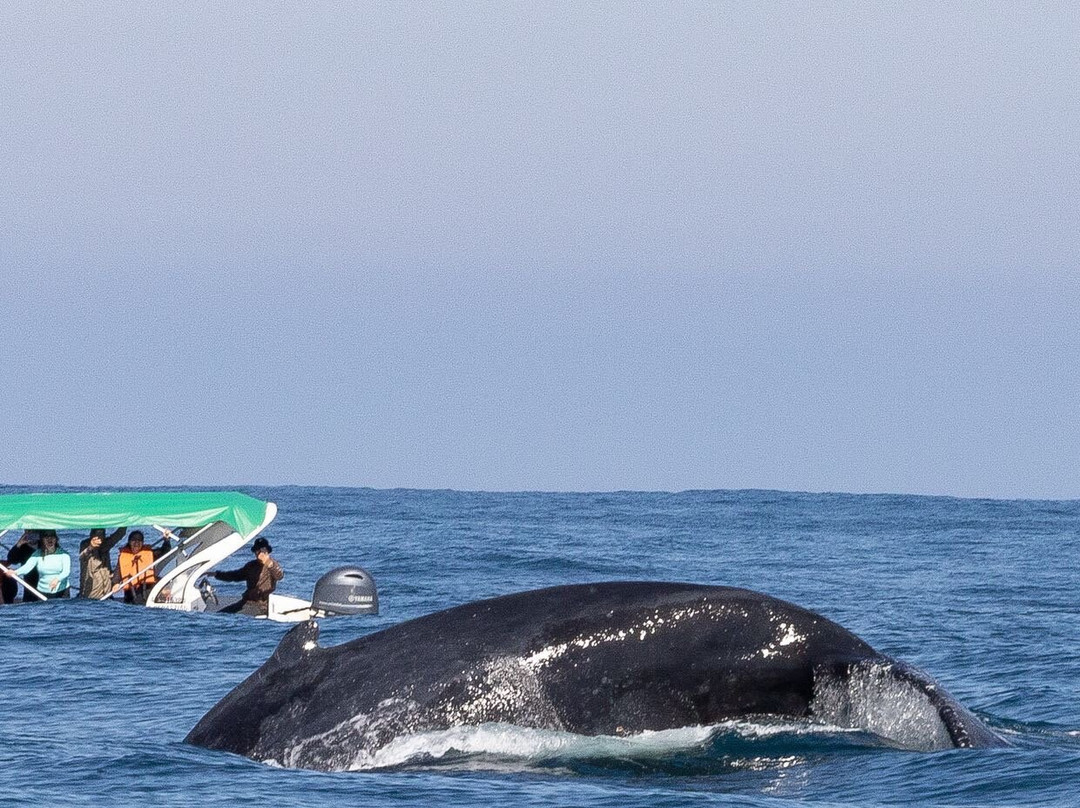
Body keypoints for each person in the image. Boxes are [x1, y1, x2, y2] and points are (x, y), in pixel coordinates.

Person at [213, 537, 284, 616]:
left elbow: (279, 575)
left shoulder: (272, 564)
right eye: (257, 551)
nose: (259, 554)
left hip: (262, 605)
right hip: (246, 602)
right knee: (221, 614)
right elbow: (236, 576)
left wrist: (268, 563)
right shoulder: (251, 565)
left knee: (234, 615)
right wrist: (217, 574)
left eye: (262, 551)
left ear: (267, 552)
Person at [5, 531, 71, 599]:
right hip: (42, 591)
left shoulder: (64, 554)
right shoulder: (37, 554)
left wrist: (57, 579)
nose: (50, 541)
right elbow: (27, 567)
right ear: (42, 540)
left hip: (61, 590)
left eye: (52, 538)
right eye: (46, 538)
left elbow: (66, 572)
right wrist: (15, 572)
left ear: (56, 539)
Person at [78, 526, 126, 599]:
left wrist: (126, 521)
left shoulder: (105, 544)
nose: (99, 538)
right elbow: (82, 556)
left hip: (107, 593)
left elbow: (120, 534)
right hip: (91, 595)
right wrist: (91, 546)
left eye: (102, 534)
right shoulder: (85, 544)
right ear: (91, 535)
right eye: (97, 534)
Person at [111, 531, 159, 605]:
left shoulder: (150, 553)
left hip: (146, 591)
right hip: (130, 593)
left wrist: (166, 540)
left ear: (142, 543)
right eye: (134, 541)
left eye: (139, 541)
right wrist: (115, 583)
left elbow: (165, 550)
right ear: (129, 542)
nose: (136, 543)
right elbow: (118, 571)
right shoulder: (123, 556)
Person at [3, 531, 38, 603]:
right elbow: (12, 560)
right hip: (30, 581)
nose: (32, 535)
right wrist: (18, 544)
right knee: (30, 598)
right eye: (28, 532)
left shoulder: (45, 546)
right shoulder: (24, 547)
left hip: (44, 580)